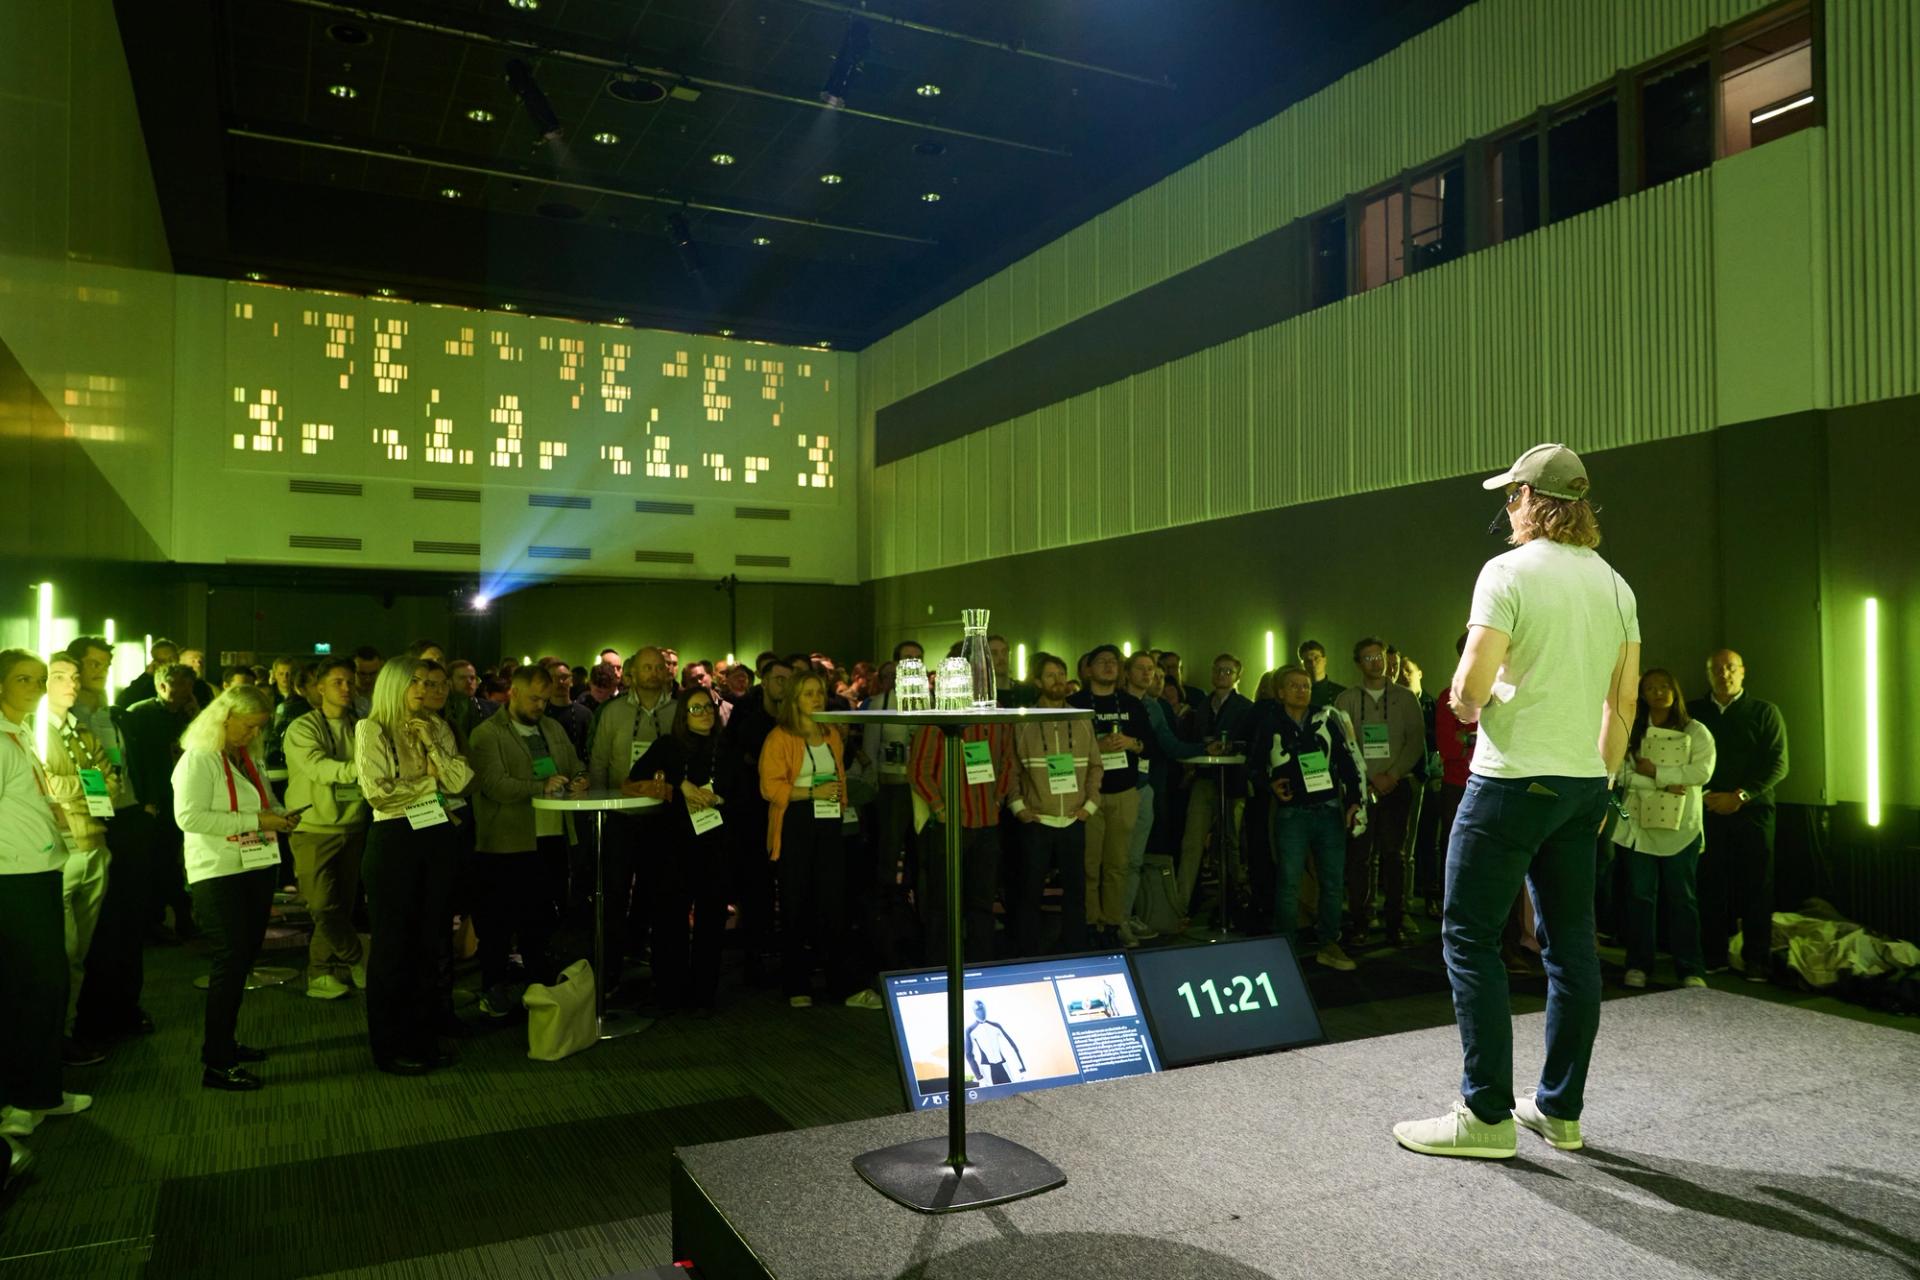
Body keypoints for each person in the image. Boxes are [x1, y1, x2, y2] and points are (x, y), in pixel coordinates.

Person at [1395, 442, 1638, 1160]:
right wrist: (1601, 784)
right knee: (1570, 950)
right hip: (1580, 786)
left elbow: (1466, 693)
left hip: (1508, 782)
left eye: (1511, 496)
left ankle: (1487, 1118)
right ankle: (1560, 1111)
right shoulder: (1617, 587)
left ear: (1534, 501)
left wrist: (1478, 702)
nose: (1507, 507)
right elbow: (1621, 702)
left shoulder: (1505, 572)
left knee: (1469, 937)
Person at [172, 684, 298, 1090]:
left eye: (258, 729)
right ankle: (217, 1060)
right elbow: (189, 818)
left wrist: (279, 815)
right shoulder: (199, 758)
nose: (252, 735)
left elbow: (263, 801)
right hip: (219, 870)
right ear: (223, 719)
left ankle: (225, 1042)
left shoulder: (245, 756)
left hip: (256, 863)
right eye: (247, 727)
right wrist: (257, 822)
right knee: (230, 962)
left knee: (243, 957)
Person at [354, 658, 473, 1075]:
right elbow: (378, 794)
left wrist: (435, 750)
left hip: (437, 834)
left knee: (429, 943)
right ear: (393, 685)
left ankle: (422, 1037)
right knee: (392, 948)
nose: (424, 690)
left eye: (431, 683)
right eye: (415, 682)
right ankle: (389, 1047)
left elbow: (459, 781)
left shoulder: (436, 725)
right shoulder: (372, 728)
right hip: (394, 840)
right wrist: (431, 782)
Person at [1, 650, 93, 1170]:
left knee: (46, 986)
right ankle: (23, 1099)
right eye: (23, 679)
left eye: (40, 680)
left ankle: (38, 1093)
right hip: (13, 880)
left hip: (37, 871)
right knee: (32, 989)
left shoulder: (18, 733)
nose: (34, 687)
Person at [468, 664, 586, 1016]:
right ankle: (494, 989)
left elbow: (575, 763)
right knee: (499, 923)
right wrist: (541, 786)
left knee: (542, 921)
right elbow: (494, 785)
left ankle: (539, 990)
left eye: (545, 699)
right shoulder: (487, 734)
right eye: (534, 698)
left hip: (550, 837)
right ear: (513, 693)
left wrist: (580, 778)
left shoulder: (552, 727)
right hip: (506, 841)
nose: (540, 705)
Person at [63, 637, 154, 1045]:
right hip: (96, 822)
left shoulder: (117, 716)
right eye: (93, 664)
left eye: (105, 664)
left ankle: (126, 1006)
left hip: (130, 819)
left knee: (130, 919)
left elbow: (133, 766)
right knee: (99, 925)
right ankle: (94, 1013)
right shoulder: (65, 720)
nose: (100, 671)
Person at [1248, 665, 1366, 969]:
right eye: (1295, 685)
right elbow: (1253, 767)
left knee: (1331, 880)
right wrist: (1270, 785)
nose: (1302, 690)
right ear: (1281, 692)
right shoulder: (1269, 722)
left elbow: (1347, 761)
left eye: (1306, 685)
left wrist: (1354, 800)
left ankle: (1329, 942)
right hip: (1291, 814)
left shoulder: (1326, 719)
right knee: (1288, 881)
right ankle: (1284, 947)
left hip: (1328, 810)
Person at [38, 655, 120, 1067]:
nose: (71, 684)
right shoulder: (33, 731)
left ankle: (66, 1033)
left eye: (74, 677)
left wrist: (70, 790)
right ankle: (53, 1041)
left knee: (78, 955)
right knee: (62, 953)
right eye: (59, 677)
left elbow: (113, 782)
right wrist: (84, 786)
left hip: (94, 846)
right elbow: (44, 786)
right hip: (59, 853)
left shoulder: (81, 729)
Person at [630, 687, 733, 1015]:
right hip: (672, 845)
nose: (704, 713)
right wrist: (679, 787)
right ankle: (669, 993)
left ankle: (703, 995)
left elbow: (745, 792)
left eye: (708, 707)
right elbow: (633, 780)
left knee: (711, 922)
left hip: (715, 844)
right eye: (695, 708)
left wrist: (717, 798)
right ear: (682, 715)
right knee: (670, 920)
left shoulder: (726, 746)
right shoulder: (668, 746)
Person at [1688, 650, 1789, 981]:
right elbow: (1681, 756)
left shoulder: (1764, 712)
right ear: (1708, 674)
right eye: (1715, 668)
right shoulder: (1694, 712)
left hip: (1754, 812)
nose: (1723, 674)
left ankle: (1757, 959)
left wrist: (1740, 796)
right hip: (1707, 808)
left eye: (1730, 668)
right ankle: (1713, 955)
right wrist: (1706, 796)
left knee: (1757, 886)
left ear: (1743, 672)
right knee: (1710, 882)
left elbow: (1778, 764)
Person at [1612, 670, 1715, 989]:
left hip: (1681, 827)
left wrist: (1658, 771)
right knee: (1640, 896)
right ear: (1642, 694)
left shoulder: (1695, 730)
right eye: (1651, 688)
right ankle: (1639, 965)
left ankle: (1691, 967)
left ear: (1675, 690)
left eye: (1664, 686)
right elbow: (1622, 773)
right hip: (1639, 825)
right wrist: (1667, 781)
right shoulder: (1633, 729)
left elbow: (1702, 771)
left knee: (1682, 898)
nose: (1658, 693)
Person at [758, 670, 853, 1007]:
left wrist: (839, 805)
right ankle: (796, 983)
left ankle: (839, 982)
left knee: (832, 904)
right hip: (795, 823)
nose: (816, 698)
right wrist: (812, 791)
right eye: (808, 693)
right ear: (795, 699)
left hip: (828, 823)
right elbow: (770, 788)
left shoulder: (832, 734)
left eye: (819, 692)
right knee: (796, 904)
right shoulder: (779, 737)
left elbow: (839, 778)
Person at [588, 646, 678, 994]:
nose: (655, 673)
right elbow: (598, 762)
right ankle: (608, 973)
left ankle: (656, 970)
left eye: (660, 667)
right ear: (631, 674)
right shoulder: (612, 713)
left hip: (663, 820)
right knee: (614, 894)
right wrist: (598, 808)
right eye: (647, 668)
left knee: (658, 895)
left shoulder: (679, 712)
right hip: (620, 817)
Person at [283, 657, 370, 1001]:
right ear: (320, 688)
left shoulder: (360, 725)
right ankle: (357, 957)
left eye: (350, 682)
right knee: (320, 904)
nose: (347, 688)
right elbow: (320, 769)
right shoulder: (302, 728)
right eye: (338, 682)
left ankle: (320, 972)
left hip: (354, 824)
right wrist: (365, 771)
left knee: (341, 905)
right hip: (313, 826)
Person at [1335, 638, 1428, 948]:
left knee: (1394, 857)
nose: (1376, 662)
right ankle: (1360, 923)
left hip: (1396, 787)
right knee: (1360, 858)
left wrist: (1393, 774)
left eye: (1379, 656)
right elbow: (1342, 746)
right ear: (1358, 663)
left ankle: (1395, 923)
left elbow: (1415, 742)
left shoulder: (1405, 698)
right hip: (1360, 790)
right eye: (1368, 657)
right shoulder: (1346, 699)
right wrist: (1366, 780)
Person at [1009, 653, 1102, 957]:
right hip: (1037, 820)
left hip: (1074, 819)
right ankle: (1027, 952)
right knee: (1029, 893)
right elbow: (1011, 768)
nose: (1058, 681)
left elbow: (1095, 766)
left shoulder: (1082, 717)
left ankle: (1076, 949)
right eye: (1050, 675)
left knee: (1076, 892)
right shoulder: (1022, 721)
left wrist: (1090, 805)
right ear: (1038, 682)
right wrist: (1018, 806)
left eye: (1061, 674)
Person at [908, 709, 1016, 966]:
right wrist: (939, 807)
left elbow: (1009, 762)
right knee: (943, 904)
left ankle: (981, 966)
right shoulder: (937, 721)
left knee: (982, 904)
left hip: (987, 823)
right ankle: (940, 967)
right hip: (949, 826)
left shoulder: (997, 719)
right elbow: (918, 770)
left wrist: (998, 799)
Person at [1069, 646, 1150, 944]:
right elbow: (1062, 749)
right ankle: (1091, 923)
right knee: (1089, 864)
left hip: (1124, 792)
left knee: (1118, 864)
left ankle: (1114, 922)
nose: (1108, 666)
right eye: (1101, 662)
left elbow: (1150, 745)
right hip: (1087, 795)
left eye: (1113, 662)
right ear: (1087, 669)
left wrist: (1132, 742)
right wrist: (1095, 748)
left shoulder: (1132, 704)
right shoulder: (1074, 704)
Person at [124, 663, 201, 942]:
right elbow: (134, 762)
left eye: (187, 685)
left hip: (186, 796)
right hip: (154, 800)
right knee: (159, 862)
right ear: (161, 685)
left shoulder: (190, 715)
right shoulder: (140, 714)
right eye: (176, 685)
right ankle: (157, 921)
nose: (182, 691)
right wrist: (145, 799)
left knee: (181, 860)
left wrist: (197, 717)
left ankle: (183, 918)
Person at [1177, 653, 1255, 920]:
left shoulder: (1245, 707)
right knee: (1192, 841)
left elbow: (1250, 744)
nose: (1222, 674)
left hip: (1231, 782)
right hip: (1204, 778)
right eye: (1218, 670)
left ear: (1237, 676)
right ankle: (1180, 907)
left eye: (1228, 671)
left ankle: (1234, 901)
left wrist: (1230, 747)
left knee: (1229, 842)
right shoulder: (1200, 707)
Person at [537, 658, 593, 758]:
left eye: (564, 677)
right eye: (554, 678)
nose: (560, 682)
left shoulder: (585, 714)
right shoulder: (539, 714)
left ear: (571, 681)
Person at [964, 999, 1026, 1085]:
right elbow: (969, 1055)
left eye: (982, 1009)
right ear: (974, 1012)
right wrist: (979, 1076)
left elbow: (1011, 1046)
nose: (981, 1012)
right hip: (986, 1068)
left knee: (1011, 1092)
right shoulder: (970, 1030)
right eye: (978, 1010)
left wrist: (1022, 1069)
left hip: (1003, 1065)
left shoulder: (995, 1026)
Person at [117, 637, 178, 709]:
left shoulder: (189, 681)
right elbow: (123, 701)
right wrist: (146, 675)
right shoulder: (149, 686)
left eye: (171, 659)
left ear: (178, 658)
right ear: (155, 663)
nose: (168, 664)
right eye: (162, 661)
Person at [1298, 640, 1344, 710]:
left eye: (1316, 658)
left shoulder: (1341, 694)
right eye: (1308, 660)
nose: (1313, 663)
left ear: (1324, 660)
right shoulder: (1297, 694)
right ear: (1303, 665)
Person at [350, 645, 382, 718]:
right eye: (362, 674)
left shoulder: (386, 695)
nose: (368, 679)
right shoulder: (345, 696)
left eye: (373, 673)